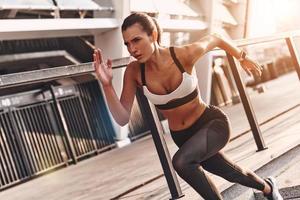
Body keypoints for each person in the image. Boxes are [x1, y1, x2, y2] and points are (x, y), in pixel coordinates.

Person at [93, 12, 283, 200]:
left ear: (153, 35)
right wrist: (107, 85)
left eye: (136, 40)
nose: (132, 49)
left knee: (182, 162)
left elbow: (216, 38)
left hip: (212, 124)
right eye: (127, 44)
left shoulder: (182, 55)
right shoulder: (134, 71)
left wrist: (242, 57)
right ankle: (268, 188)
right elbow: (122, 118)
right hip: (183, 137)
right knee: (231, 172)